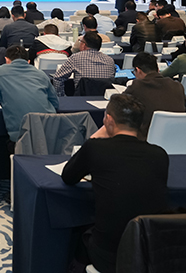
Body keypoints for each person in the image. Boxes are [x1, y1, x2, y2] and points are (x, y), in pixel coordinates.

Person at [62, 95, 169, 273]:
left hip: (109, 256)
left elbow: (68, 176)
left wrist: (95, 137)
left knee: (78, 233)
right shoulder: (160, 155)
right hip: (150, 253)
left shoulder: (96, 148)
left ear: (109, 120)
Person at [0, 45, 58, 144]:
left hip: (20, 133)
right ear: (28, 61)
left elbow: (0, 98)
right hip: (49, 128)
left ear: (6, 60)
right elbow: (55, 102)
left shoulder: (0, 71)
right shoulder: (41, 74)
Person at [123, 53, 186, 135]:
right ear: (158, 70)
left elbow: (120, 106)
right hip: (179, 135)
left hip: (147, 138)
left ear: (138, 70)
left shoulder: (137, 86)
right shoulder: (177, 86)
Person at [52, 32, 116, 96]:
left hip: (80, 99)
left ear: (83, 45)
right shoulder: (110, 60)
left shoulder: (76, 57)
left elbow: (58, 78)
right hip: (104, 99)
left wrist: (62, 97)